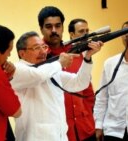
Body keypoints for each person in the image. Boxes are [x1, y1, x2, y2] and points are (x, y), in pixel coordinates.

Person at [10, 31, 102, 141]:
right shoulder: (16, 69)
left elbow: (80, 82)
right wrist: (59, 63)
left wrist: (87, 58)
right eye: (36, 48)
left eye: (44, 47)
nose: (43, 51)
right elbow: (38, 76)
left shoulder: (49, 69)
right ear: (22, 53)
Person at [38, 6, 103, 141]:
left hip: (85, 128)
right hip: (58, 133)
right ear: (41, 29)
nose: (54, 30)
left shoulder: (76, 52)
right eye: (49, 26)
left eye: (58, 25)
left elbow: (88, 91)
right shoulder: (38, 57)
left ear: (63, 27)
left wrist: (95, 121)